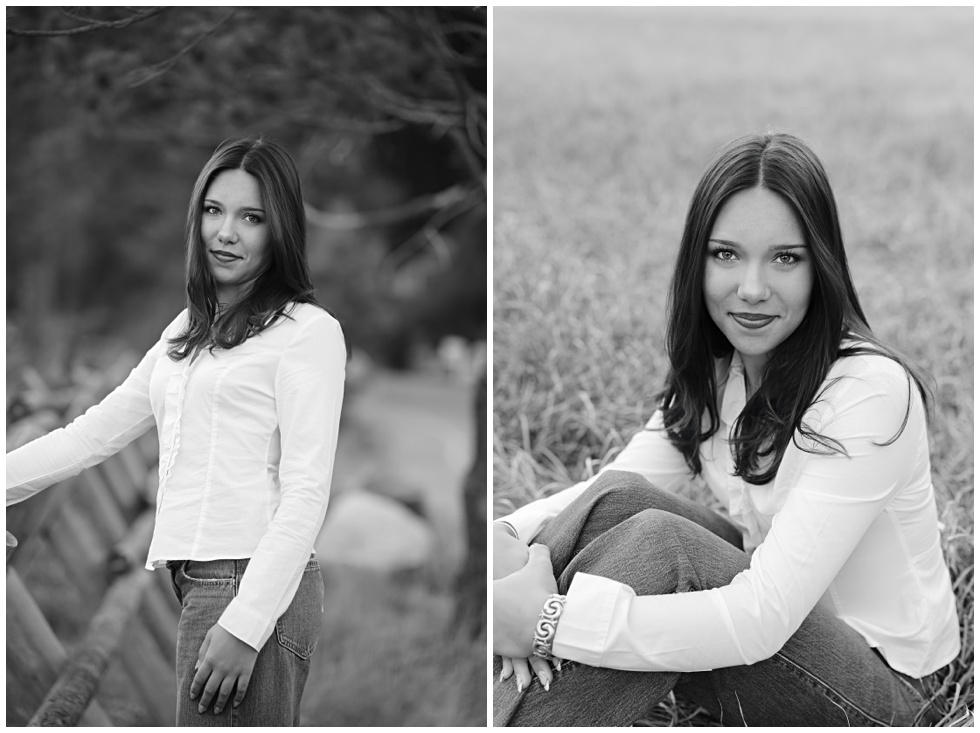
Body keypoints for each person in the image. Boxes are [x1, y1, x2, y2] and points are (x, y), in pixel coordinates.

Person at [492, 132, 959, 726]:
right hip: (780, 645)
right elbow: (624, 475)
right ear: (699, 261)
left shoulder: (869, 393)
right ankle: (498, 656)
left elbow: (761, 616)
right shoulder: (723, 368)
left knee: (667, 546)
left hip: (883, 689)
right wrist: (502, 538)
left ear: (822, 266)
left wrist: (550, 624)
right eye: (726, 254)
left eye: (785, 258)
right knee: (618, 502)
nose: (754, 288)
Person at [7, 136, 347, 726]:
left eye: (252, 218)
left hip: (248, 586)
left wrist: (245, 624)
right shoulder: (188, 330)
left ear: (282, 229)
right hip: (200, 583)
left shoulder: (307, 333)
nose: (226, 232)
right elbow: (89, 435)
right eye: (214, 211)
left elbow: (307, 490)